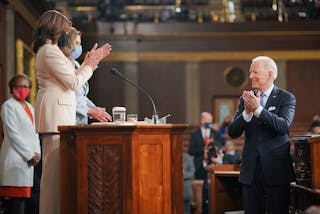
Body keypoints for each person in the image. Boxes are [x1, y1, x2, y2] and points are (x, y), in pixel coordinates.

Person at [32, 10, 112, 214]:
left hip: (61, 116)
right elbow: (74, 82)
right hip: (55, 118)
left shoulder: (53, 51)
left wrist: (86, 63)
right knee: (52, 179)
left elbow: (72, 77)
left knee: (59, 178)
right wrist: (91, 66)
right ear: (55, 28)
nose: (68, 34)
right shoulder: (49, 51)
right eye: (65, 29)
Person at [228, 56, 296, 213]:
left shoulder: (286, 98)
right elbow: (232, 132)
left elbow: (283, 126)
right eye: (250, 72)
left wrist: (258, 110)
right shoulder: (245, 99)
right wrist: (246, 113)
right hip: (250, 171)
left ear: (270, 74)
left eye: (255, 72)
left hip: (276, 170)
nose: (250, 76)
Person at [0, 74, 41, 214]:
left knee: (25, 202)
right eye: (18, 86)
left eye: (25, 87)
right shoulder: (8, 106)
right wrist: (29, 154)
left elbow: (35, 132)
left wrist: (37, 153)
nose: (22, 89)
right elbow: (13, 134)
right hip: (15, 158)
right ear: (12, 89)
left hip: (28, 160)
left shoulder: (30, 107)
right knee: (15, 204)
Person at [66, 27, 112, 124]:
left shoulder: (76, 65)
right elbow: (66, 97)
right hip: (68, 120)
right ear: (67, 44)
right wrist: (88, 111)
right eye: (76, 43)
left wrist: (95, 110)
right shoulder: (63, 65)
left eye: (80, 44)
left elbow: (81, 97)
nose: (79, 47)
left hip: (81, 121)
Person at [188, 112, 225, 180]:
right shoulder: (194, 134)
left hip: (213, 163)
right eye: (208, 120)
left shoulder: (215, 133)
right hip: (199, 165)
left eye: (211, 120)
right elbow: (191, 150)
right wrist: (203, 149)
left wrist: (213, 143)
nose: (210, 122)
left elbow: (222, 143)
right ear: (202, 120)